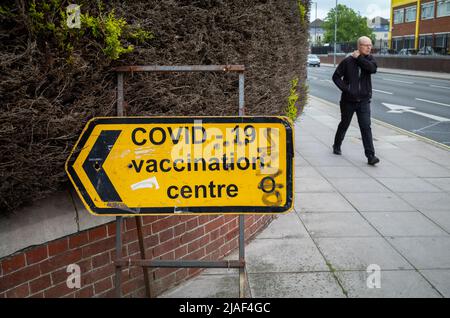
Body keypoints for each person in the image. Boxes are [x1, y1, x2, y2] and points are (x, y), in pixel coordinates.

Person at [332, 36, 380, 165]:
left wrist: (358, 58)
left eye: (370, 45)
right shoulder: (347, 61)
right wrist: (346, 89)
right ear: (359, 46)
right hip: (348, 100)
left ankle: (370, 156)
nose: (369, 47)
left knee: (366, 127)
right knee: (344, 124)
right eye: (366, 45)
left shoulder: (370, 60)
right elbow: (336, 77)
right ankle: (337, 145)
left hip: (364, 101)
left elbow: (372, 69)